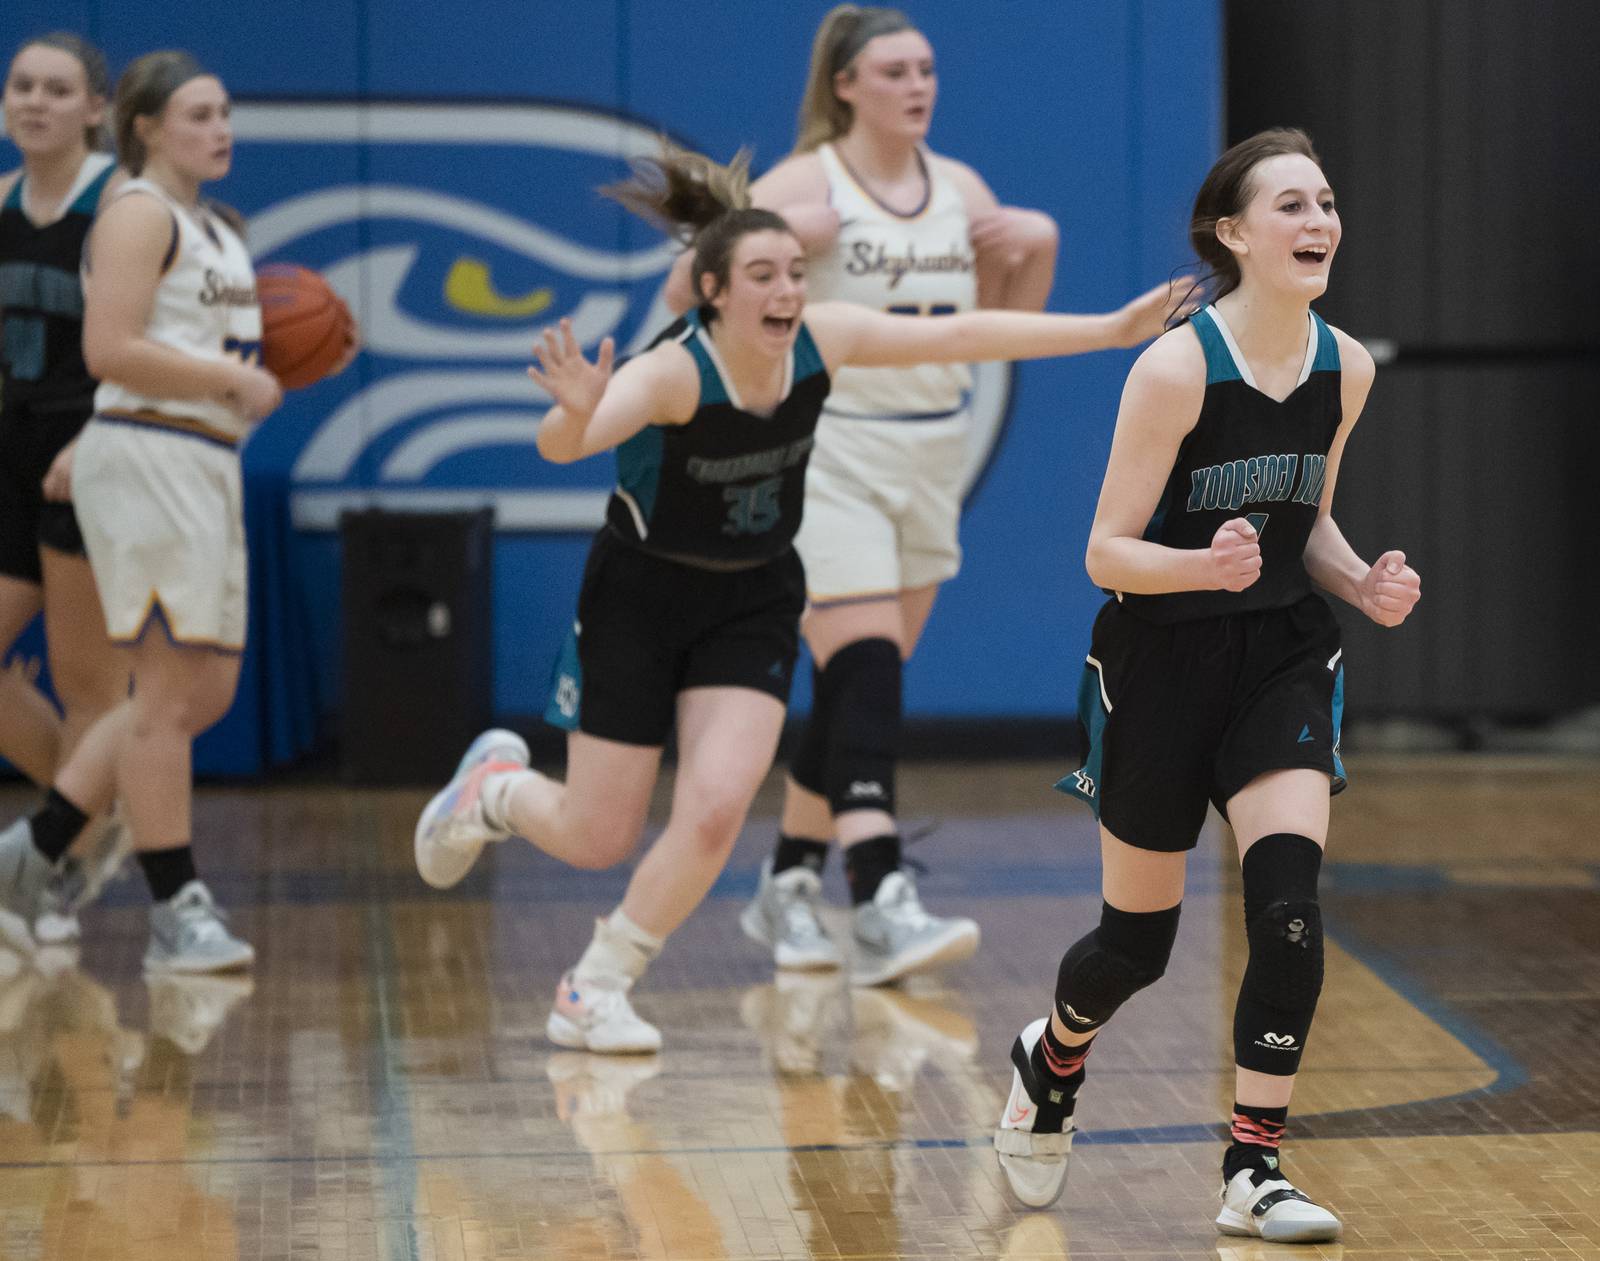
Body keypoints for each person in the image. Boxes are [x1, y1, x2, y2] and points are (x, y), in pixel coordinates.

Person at [413, 140, 1180, 1053]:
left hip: (754, 600)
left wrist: (1109, 328)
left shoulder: (825, 337)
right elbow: (564, 446)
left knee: (714, 806)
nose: (786, 289)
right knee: (596, 833)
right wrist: (577, 407)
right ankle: (496, 791)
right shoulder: (672, 373)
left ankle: (597, 981)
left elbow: (956, 335)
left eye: (794, 272)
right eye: (764, 276)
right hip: (638, 603)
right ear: (714, 294)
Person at [991, 129, 1422, 1244]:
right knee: (1133, 948)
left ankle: (1253, 1166)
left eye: (1325, 201)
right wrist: (1200, 565)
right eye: (1289, 204)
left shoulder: (1345, 365)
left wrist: (1359, 581)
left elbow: (1308, 522)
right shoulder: (1177, 366)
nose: (1317, 221)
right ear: (1232, 233)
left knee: (1287, 914)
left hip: (1280, 649)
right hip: (1160, 659)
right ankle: (1050, 1058)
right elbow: (1103, 551)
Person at [686, 5, 1062, 987]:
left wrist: (1039, 249)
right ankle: (882, 893)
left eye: (926, 68)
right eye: (894, 70)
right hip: (831, 446)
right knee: (862, 666)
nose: (917, 85)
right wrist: (779, 239)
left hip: (931, 452)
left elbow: (993, 336)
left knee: (862, 682)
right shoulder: (805, 183)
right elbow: (694, 283)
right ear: (844, 85)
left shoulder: (964, 190)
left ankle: (786, 882)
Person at [0, 51, 285, 970]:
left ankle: (32, 851)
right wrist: (228, 377)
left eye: (226, 111)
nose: (221, 128)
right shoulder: (135, 214)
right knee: (160, 696)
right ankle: (178, 906)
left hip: (205, 462)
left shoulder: (218, 232)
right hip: (151, 456)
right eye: (199, 114)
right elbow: (110, 346)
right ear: (146, 127)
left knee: (205, 692)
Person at [0, 34, 132, 941]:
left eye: (57, 89)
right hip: (7, 450)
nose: (34, 101)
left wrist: (95, 439)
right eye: (21, 86)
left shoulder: (121, 208)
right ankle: (92, 822)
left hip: (89, 455)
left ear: (96, 109)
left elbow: (141, 351)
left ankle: (56, 866)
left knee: (89, 680)